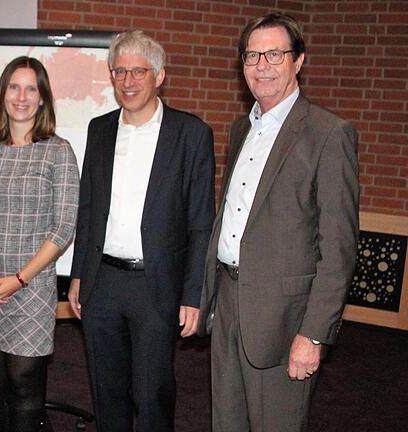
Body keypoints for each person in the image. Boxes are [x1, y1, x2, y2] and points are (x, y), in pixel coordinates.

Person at [197, 13, 359, 432]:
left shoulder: (328, 134)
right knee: (225, 423)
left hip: (285, 320)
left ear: (298, 60)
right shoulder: (240, 130)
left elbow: (338, 248)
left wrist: (314, 334)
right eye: (252, 56)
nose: (261, 65)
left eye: (274, 53)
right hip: (228, 306)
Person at [68, 31, 215, 431]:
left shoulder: (191, 134)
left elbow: (202, 221)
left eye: (138, 71)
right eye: (120, 71)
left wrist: (193, 294)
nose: (128, 81)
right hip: (102, 284)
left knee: (152, 394)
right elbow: (88, 210)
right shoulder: (99, 130)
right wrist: (80, 273)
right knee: (106, 391)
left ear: (160, 76)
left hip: (157, 287)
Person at [0, 56, 80, 432]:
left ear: (42, 98)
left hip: (30, 290)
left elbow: (63, 229)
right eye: (14, 87)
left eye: (31, 88)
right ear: (2, 95)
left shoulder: (58, 151)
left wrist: (19, 279)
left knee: (25, 386)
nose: (22, 96)